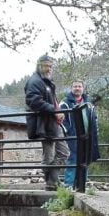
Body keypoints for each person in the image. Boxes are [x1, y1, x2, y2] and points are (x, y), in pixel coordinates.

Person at [24, 54, 70, 190]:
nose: (49, 69)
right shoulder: (35, 81)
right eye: (46, 66)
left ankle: (52, 180)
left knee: (64, 152)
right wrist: (54, 110)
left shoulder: (47, 82)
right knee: (49, 155)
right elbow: (33, 101)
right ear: (39, 65)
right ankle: (52, 183)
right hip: (43, 124)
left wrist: (58, 111)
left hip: (53, 123)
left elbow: (51, 101)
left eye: (51, 66)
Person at [60, 79, 100, 187]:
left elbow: (94, 119)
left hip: (86, 137)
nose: (77, 88)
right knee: (72, 161)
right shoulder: (65, 103)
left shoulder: (89, 103)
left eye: (79, 86)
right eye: (75, 86)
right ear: (71, 88)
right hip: (72, 137)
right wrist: (68, 133)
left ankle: (82, 185)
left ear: (83, 88)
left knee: (85, 160)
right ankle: (68, 187)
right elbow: (62, 121)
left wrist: (94, 134)